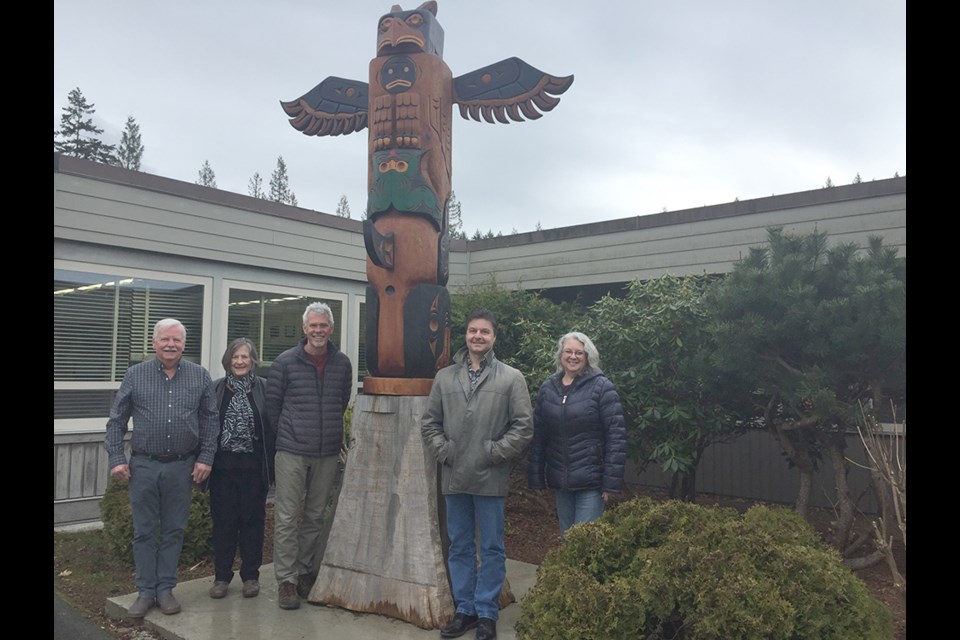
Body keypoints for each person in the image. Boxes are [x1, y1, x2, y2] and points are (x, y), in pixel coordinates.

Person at [421, 308, 533, 640]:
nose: (478, 336)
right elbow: (429, 424)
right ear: (466, 336)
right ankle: (465, 610)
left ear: (494, 337)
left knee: (493, 547)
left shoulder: (511, 378)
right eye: (473, 331)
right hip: (455, 476)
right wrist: (445, 451)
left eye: (485, 331)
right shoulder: (445, 377)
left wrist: (493, 453)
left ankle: (486, 612)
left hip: (490, 477)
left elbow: (524, 428)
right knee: (459, 546)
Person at [104, 318, 219, 619]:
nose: (171, 345)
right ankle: (145, 592)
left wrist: (206, 457)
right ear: (154, 343)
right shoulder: (135, 375)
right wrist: (116, 458)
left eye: (177, 340)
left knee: (173, 530)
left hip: (182, 467)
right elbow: (116, 420)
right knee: (143, 532)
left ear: (184, 344)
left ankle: (165, 589)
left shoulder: (199, 376)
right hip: (143, 465)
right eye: (165, 339)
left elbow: (210, 420)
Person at [266, 301, 354, 610]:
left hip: (327, 452)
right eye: (313, 325)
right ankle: (287, 581)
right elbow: (272, 408)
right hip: (291, 450)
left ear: (331, 329)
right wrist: (292, 433)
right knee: (287, 517)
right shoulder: (285, 362)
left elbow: (342, 400)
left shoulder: (342, 363)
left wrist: (324, 432)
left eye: (323, 325)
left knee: (315, 516)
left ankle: (304, 572)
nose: (318, 330)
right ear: (304, 328)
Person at [527, 332, 627, 538]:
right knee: (567, 540)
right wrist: (536, 477)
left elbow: (616, 437)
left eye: (579, 353)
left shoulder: (602, 388)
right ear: (560, 355)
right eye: (568, 351)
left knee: (584, 543)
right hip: (561, 482)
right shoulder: (548, 388)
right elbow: (539, 436)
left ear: (587, 356)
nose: (573, 357)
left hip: (591, 482)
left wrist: (610, 483)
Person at [207, 338, 274, 600]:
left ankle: (250, 577)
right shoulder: (215, 389)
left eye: (245, 357)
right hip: (222, 469)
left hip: (254, 469)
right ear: (227, 361)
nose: (240, 361)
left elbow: (273, 426)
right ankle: (222, 577)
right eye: (235, 357)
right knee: (223, 523)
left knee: (252, 523)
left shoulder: (264, 389)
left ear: (253, 360)